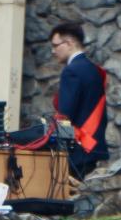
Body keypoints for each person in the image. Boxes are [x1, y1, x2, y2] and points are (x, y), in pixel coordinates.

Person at [12, 22, 111, 178]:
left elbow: (65, 115)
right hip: (93, 146)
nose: (53, 51)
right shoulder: (93, 69)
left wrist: (56, 144)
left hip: (79, 149)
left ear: (69, 43)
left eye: (55, 45)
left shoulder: (71, 71)